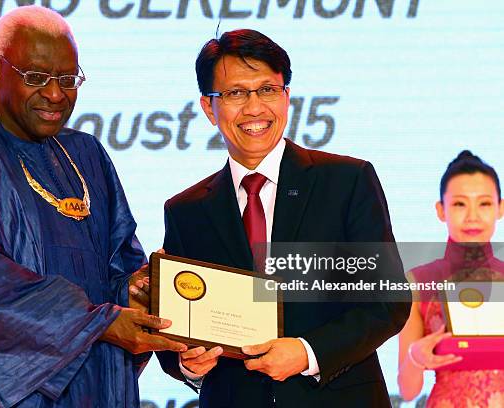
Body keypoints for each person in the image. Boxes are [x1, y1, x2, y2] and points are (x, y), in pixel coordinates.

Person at [0, 6, 186, 407]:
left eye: (67, 79)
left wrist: (138, 291)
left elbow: (117, 268)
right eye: (36, 77)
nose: (54, 94)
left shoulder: (86, 155)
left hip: (94, 387)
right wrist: (98, 322)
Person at [156, 29, 410, 407]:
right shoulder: (186, 211)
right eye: (235, 93)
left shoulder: (345, 181)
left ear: (287, 96)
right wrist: (186, 362)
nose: (255, 108)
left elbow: (387, 303)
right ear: (209, 108)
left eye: (268, 90)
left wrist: (308, 352)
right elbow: (175, 324)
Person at [398, 151, 504, 407]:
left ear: (500, 208)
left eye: (484, 204)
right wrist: (415, 357)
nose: (472, 216)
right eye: (459, 204)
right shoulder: (418, 281)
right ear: (440, 210)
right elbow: (408, 391)